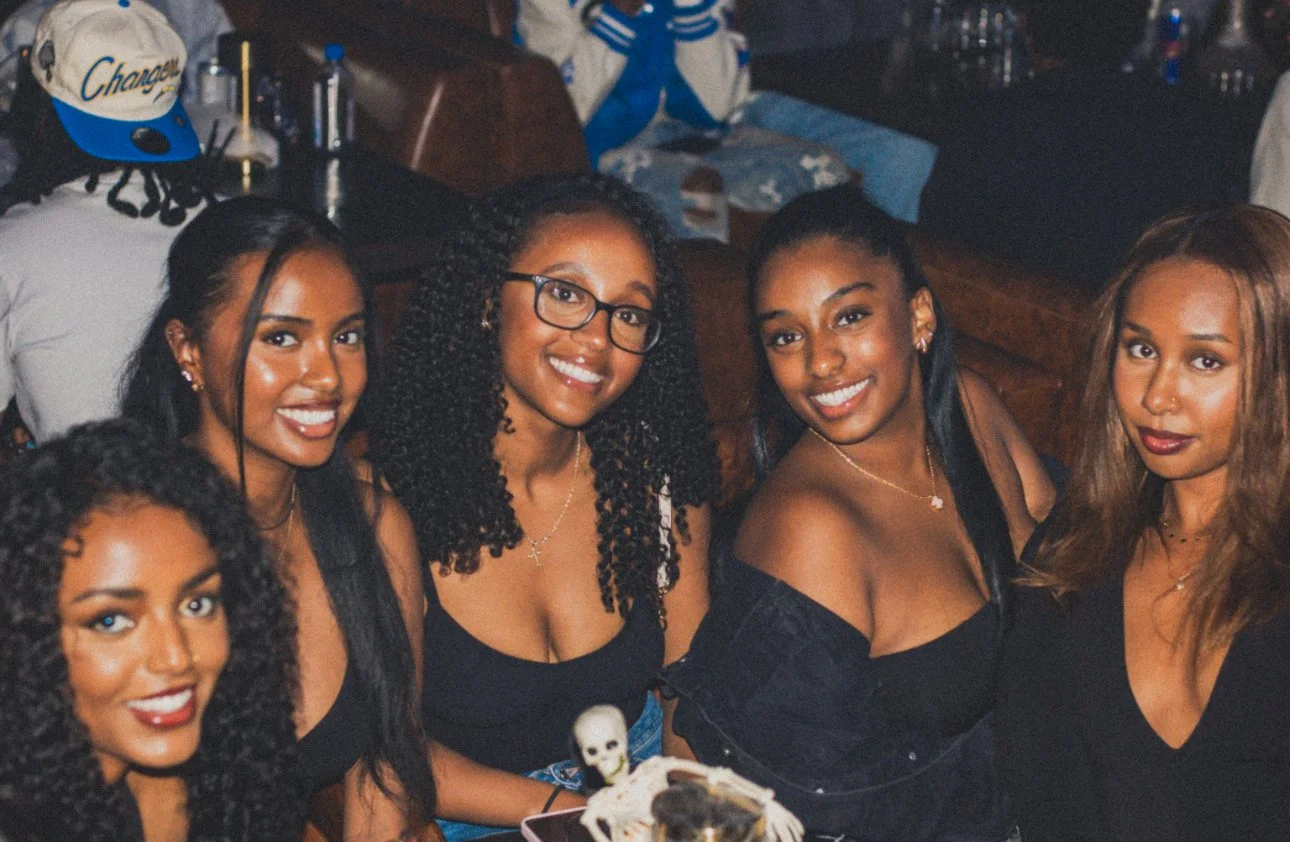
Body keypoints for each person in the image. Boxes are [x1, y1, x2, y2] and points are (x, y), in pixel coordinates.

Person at [663, 186, 1055, 840]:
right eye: (787, 336)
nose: (820, 362)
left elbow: (1063, 558)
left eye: (849, 317)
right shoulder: (813, 529)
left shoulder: (968, 409)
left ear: (919, 315)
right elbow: (761, 799)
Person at [373, 173, 719, 840]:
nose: (596, 338)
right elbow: (391, 749)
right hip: (474, 816)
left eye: (629, 313)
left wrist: (687, 805)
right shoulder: (390, 502)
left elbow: (688, 701)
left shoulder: (654, 480)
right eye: (564, 294)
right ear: (485, 298)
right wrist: (585, 819)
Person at [121, 196, 435, 841]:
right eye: (281, 338)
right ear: (188, 350)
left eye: (345, 336)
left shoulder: (374, 531)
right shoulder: (134, 546)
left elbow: (385, 769)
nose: (326, 375)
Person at [998, 204, 1290, 841]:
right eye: (1141, 349)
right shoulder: (1075, 553)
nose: (1158, 395)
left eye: (1205, 361)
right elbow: (1034, 789)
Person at [0, 419, 304, 842]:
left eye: (197, 605)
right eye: (111, 621)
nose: (176, 656)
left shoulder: (198, 782)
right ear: (22, 642)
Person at [514, 0, 937, 241]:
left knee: (902, 157)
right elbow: (562, 113)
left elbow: (717, 105)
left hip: (723, 118)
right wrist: (617, 16)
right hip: (617, 143)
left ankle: (883, 303)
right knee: (700, 198)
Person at [0, 0, 214, 444]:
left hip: (84, 506)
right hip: (219, 504)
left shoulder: (13, 245)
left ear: (38, 109)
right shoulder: (230, 224)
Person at [919, 0, 1238, 291]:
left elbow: (937, 256)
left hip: (997, 333)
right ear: (1136, 32)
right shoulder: (1192, 127)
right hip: (1134, 335)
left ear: (1028, 33)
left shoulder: (987, 123)